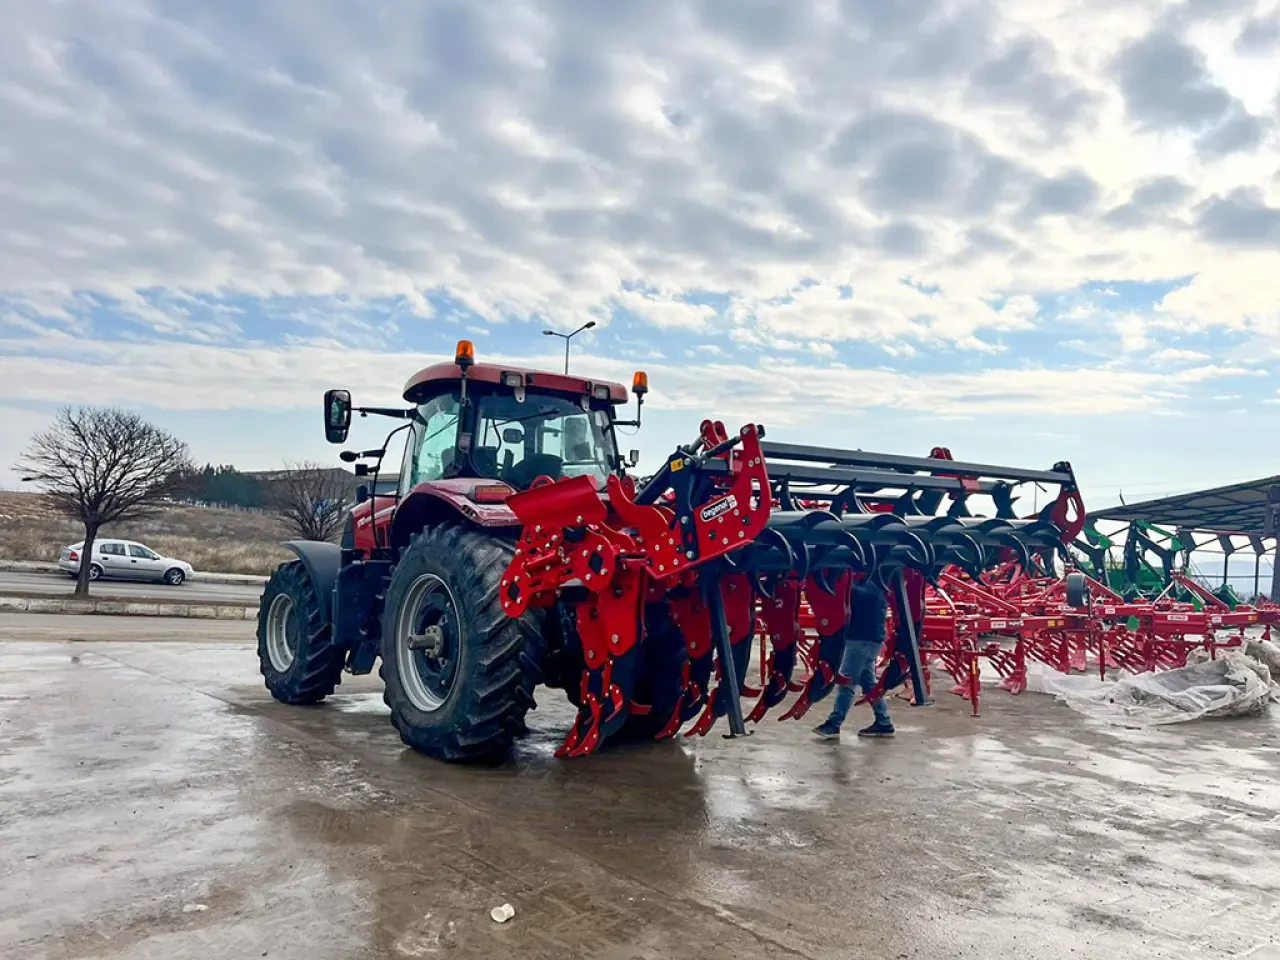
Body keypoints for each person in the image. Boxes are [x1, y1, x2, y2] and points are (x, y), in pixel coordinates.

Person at [813, 577, 894, 740]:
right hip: (869, 639)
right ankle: (884, 722)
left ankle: (834, 724)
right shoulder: (876, 584)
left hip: (861, 640)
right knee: (868, 682)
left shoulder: (860, 588)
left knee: (847, 682)